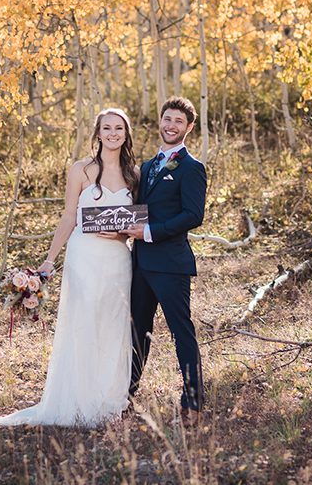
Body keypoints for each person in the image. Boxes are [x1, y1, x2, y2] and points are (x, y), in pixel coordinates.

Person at [0, 108, 136, 427]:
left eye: (119, 128)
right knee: (84, 321)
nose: (113, 133)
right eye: (107, 127)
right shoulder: (81, 169)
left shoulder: (136, 174)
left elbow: (135, 222)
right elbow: (68, 216)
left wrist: (121, 232)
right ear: (98, 132)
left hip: (118, 258)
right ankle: (78, 398)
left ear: (126, 134)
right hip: (84, 255)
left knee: (113, 324)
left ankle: (108, 399)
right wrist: (49, 260)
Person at [121, 96, 207, 421]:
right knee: (137, 332)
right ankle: (125, 396)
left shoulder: (191, 168)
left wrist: (151, 232)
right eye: (167, 119)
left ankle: (193, 403)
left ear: (189, 128)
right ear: (160, 121)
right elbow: (134, 209)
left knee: (180, 332)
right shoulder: (146, 167)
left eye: (179, 122)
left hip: (171, 264)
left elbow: (192, 215)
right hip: (140, 263)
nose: (171, 126)